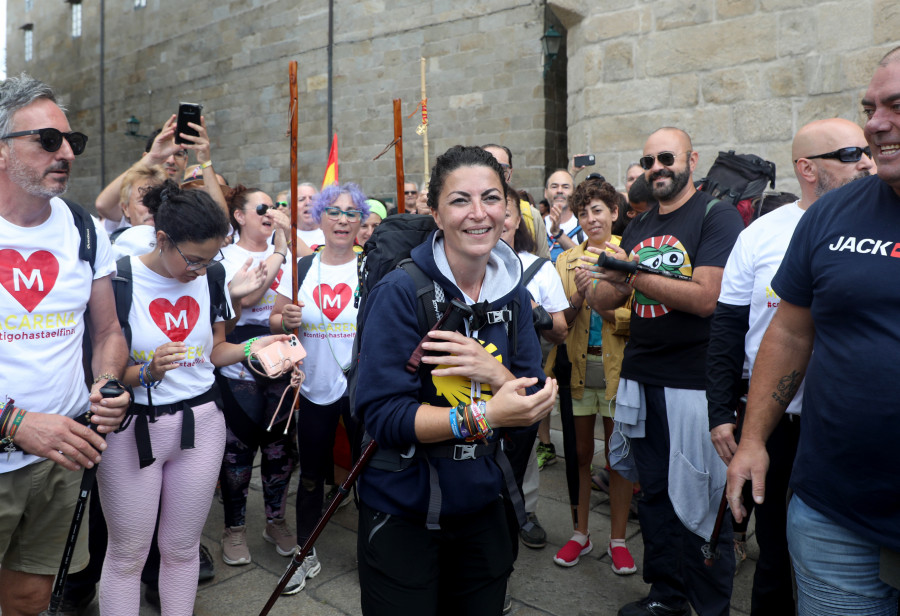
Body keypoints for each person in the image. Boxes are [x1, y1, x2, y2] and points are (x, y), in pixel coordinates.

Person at [727, 47, 900, 616]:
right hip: (833, 512)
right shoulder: (832, 214)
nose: (875, 124)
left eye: (895, 106)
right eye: (869, 107)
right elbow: (790, 333)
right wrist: (752, 440)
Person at [353, 145, 558, 615]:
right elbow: (384, 415)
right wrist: (486, 413)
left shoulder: (513, 292)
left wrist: (496, 373)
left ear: (508, 208)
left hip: (484, 502)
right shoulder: (401, 292)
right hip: (403, 506)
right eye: (460, 200)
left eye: (490, 197)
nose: (478, 213)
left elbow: (533, 404)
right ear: (436, 212)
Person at [707, 118, 874, 612]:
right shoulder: (760, 235)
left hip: (846, 422)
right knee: (774, 552)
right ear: (807, 169)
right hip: (774, 418)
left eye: (865, 150)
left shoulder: (880, 224)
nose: (866, 160)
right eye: (849, 154)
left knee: (850, 553)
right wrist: (722, 413)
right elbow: (727, 328)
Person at [96, 181, 279, 616]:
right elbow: (105, 373)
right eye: (192, 260)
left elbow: (213, 352)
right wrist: (150, 371)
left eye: (208, 260)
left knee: (181, 549)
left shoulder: (212, 277)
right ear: (162, 239)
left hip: (203, 425)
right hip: (134, 429)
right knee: (128, 554)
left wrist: (259, 349)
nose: (199, 271)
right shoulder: (120, 279)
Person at [587, 127, 744, 616]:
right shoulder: (639, 223)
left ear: (692, 160)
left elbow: (705, 298)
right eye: (648, 160)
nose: (657, 167)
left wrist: (633, 275)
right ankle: (665, 597)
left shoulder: (717, 218)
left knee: (700, 496)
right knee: (653, 495)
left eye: (666, 158)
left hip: (695, 383)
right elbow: (613, 298)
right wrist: (596, 281)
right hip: (641, 378)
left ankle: (708, 604)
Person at [0, 73, 131, 616]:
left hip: (61, 453)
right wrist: (14, 422)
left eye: (71, 142)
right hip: (13, 440)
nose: (66, 154)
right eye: (47, 141)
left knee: (31, 594)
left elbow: (108, 333)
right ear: (3, 149)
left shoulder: (82, 227)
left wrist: (107, 383)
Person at [268, 182, 370, 595]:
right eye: (335, 212)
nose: (343, 220)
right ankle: (304, 553)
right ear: (321, 218)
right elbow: (274, 322)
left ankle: (375, 551)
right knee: (310, 476)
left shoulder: (372, 266)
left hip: (362, 388)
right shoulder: (300, 266)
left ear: (360, 221)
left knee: (369, 476)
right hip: (314, 387)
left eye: (351, 213)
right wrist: (286, 318)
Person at [545, 178, 637, 574]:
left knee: (618, 459)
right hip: (579, 368)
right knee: (580, 454)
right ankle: (580, 533)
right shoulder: (566, 261)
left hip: (618, 369)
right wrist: (579, 297)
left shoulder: (630, 257)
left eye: (598, 210)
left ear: (614, 212)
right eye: (583, 212)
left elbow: (636, 321)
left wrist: (603, 306)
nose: (590, 218)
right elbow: (556, 320)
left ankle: (618, 539)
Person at [217, 185, 299, 566]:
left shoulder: (288, 253)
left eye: (275, 207)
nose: (271, 212)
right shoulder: (225, 256)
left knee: (280, 450)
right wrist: (281, 249)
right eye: (262, 207)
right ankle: (233, 528)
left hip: (279, 361)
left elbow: (280, 310)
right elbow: (245, 299)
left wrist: (289, 318)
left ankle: (276, 520)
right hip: (237, 362)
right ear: (239, 216)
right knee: (238, 452)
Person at [499, 188, 567, 555]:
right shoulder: (463, 265)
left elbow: (561, 331)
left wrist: (536, 311)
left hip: (522, 377)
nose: (499, 220)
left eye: (506, 212)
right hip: (475, 381)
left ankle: (525, 512)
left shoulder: (539, 268)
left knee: (521, 453)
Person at [95, 113, 225, 233]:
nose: (171, 160)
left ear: (186, 161)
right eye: (165, 154)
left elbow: (221, 219)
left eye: (178, 154)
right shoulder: (134, 201)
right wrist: (151, 158)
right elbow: (103, 205)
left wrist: (205, 161)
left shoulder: (190, 202)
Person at [482, 143, 552, 260]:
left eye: (501, 169)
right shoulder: (465, 214)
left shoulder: (530, 214)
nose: (494, 174)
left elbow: (543, 263)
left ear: (509, 174)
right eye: (487, 167)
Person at [109, 164, 167, 258]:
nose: (151, 207)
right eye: (143, 201)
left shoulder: (180, 246)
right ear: (125, 208)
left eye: (157, 200)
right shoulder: (111, 253)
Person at [543, 169, 580, 262]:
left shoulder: (584, 228)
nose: (560, 191)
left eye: (565, 187)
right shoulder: (537, 226)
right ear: (546, 193)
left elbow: (587, 261)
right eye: (554, 186)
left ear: (574, 193)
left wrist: (558, 234)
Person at [294, 182, 325, 248]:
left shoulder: (331, 235)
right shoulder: (284, 236)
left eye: (312, 198)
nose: (308, 203)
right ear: (290, 208)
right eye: (301, 199)